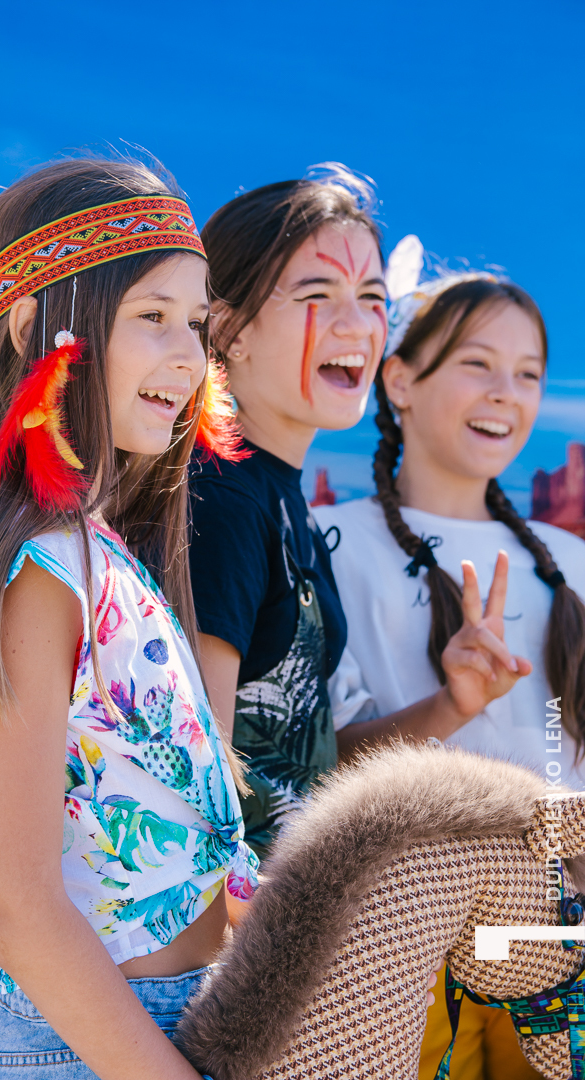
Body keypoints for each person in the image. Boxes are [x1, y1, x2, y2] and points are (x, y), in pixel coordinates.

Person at [0, 157, 258, 1080]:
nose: (189, 357)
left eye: (196, 324)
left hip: (161, 1025)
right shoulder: (36, 567)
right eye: (152, 316)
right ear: (33, 328)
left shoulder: (99, 553)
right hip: (90, 1050)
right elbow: (13, 903)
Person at [189, 168, 531, 859]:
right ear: (227, 328)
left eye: (372, 298)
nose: (357, 325)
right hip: (239, 922)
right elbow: (194, 792)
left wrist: (453, 704)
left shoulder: (282, 502)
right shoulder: (220, 501)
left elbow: (309, 767)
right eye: (317, 294)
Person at [314, 250, 585, 1080]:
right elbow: (321, 760)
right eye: (477, 364)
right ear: (399, 381)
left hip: (551, 932)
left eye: (528, 374)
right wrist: (452, 706)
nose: (507, 393)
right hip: (403, 939)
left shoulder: (570, 561)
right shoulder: (332, 544)